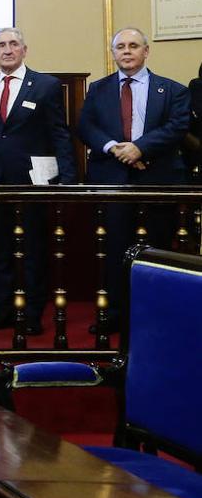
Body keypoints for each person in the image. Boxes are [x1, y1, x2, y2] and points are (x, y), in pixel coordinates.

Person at [76, 27, 189, 332]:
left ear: (146, 51)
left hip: (158, 181)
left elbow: (177, 127)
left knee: (158, 250)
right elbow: (86, 126)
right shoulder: (97, 89)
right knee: (114, 249)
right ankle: (115, 314)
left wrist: (141, 148)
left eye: (133, 46)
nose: (126, 51)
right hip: (112, 181)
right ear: (113, 53)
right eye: (120, 46)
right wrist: (115, 148)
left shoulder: (173, 90)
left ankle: (156, 317)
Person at [0, 28, 77, 336]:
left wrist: (68, 179)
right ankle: (4, 308)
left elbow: (59, 133)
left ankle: (32, 313)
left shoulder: (46, 85)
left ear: (24, 50)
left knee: (33, 250)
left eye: (13, 44)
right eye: (1, 45)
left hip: (33, 182)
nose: (7, 50)